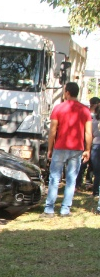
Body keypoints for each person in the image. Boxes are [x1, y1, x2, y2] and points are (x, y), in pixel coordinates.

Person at [41, 82, 92, 218]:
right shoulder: (85, 110)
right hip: (77, 148)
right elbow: (88, 132)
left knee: (54, 178)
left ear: (67, 92)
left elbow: (53, 131)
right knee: (71, 179)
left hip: (60, 146)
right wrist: (87, 149)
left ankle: (49, 209)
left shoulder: (58, 108)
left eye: (64, 91)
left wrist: (50, 148)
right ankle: (65, 209)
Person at [77, 96, 100, 189]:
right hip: (91, 143)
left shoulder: (91, 117)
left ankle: (80, 183)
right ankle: (90, 184)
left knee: (84, 164)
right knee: (93, 166)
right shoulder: (91, 117)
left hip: (89, 142)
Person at [91, 102, 100, 197]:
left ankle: (96, 191)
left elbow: (91, 134)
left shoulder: (93, 122)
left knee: (97, 171)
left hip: (96, 145)